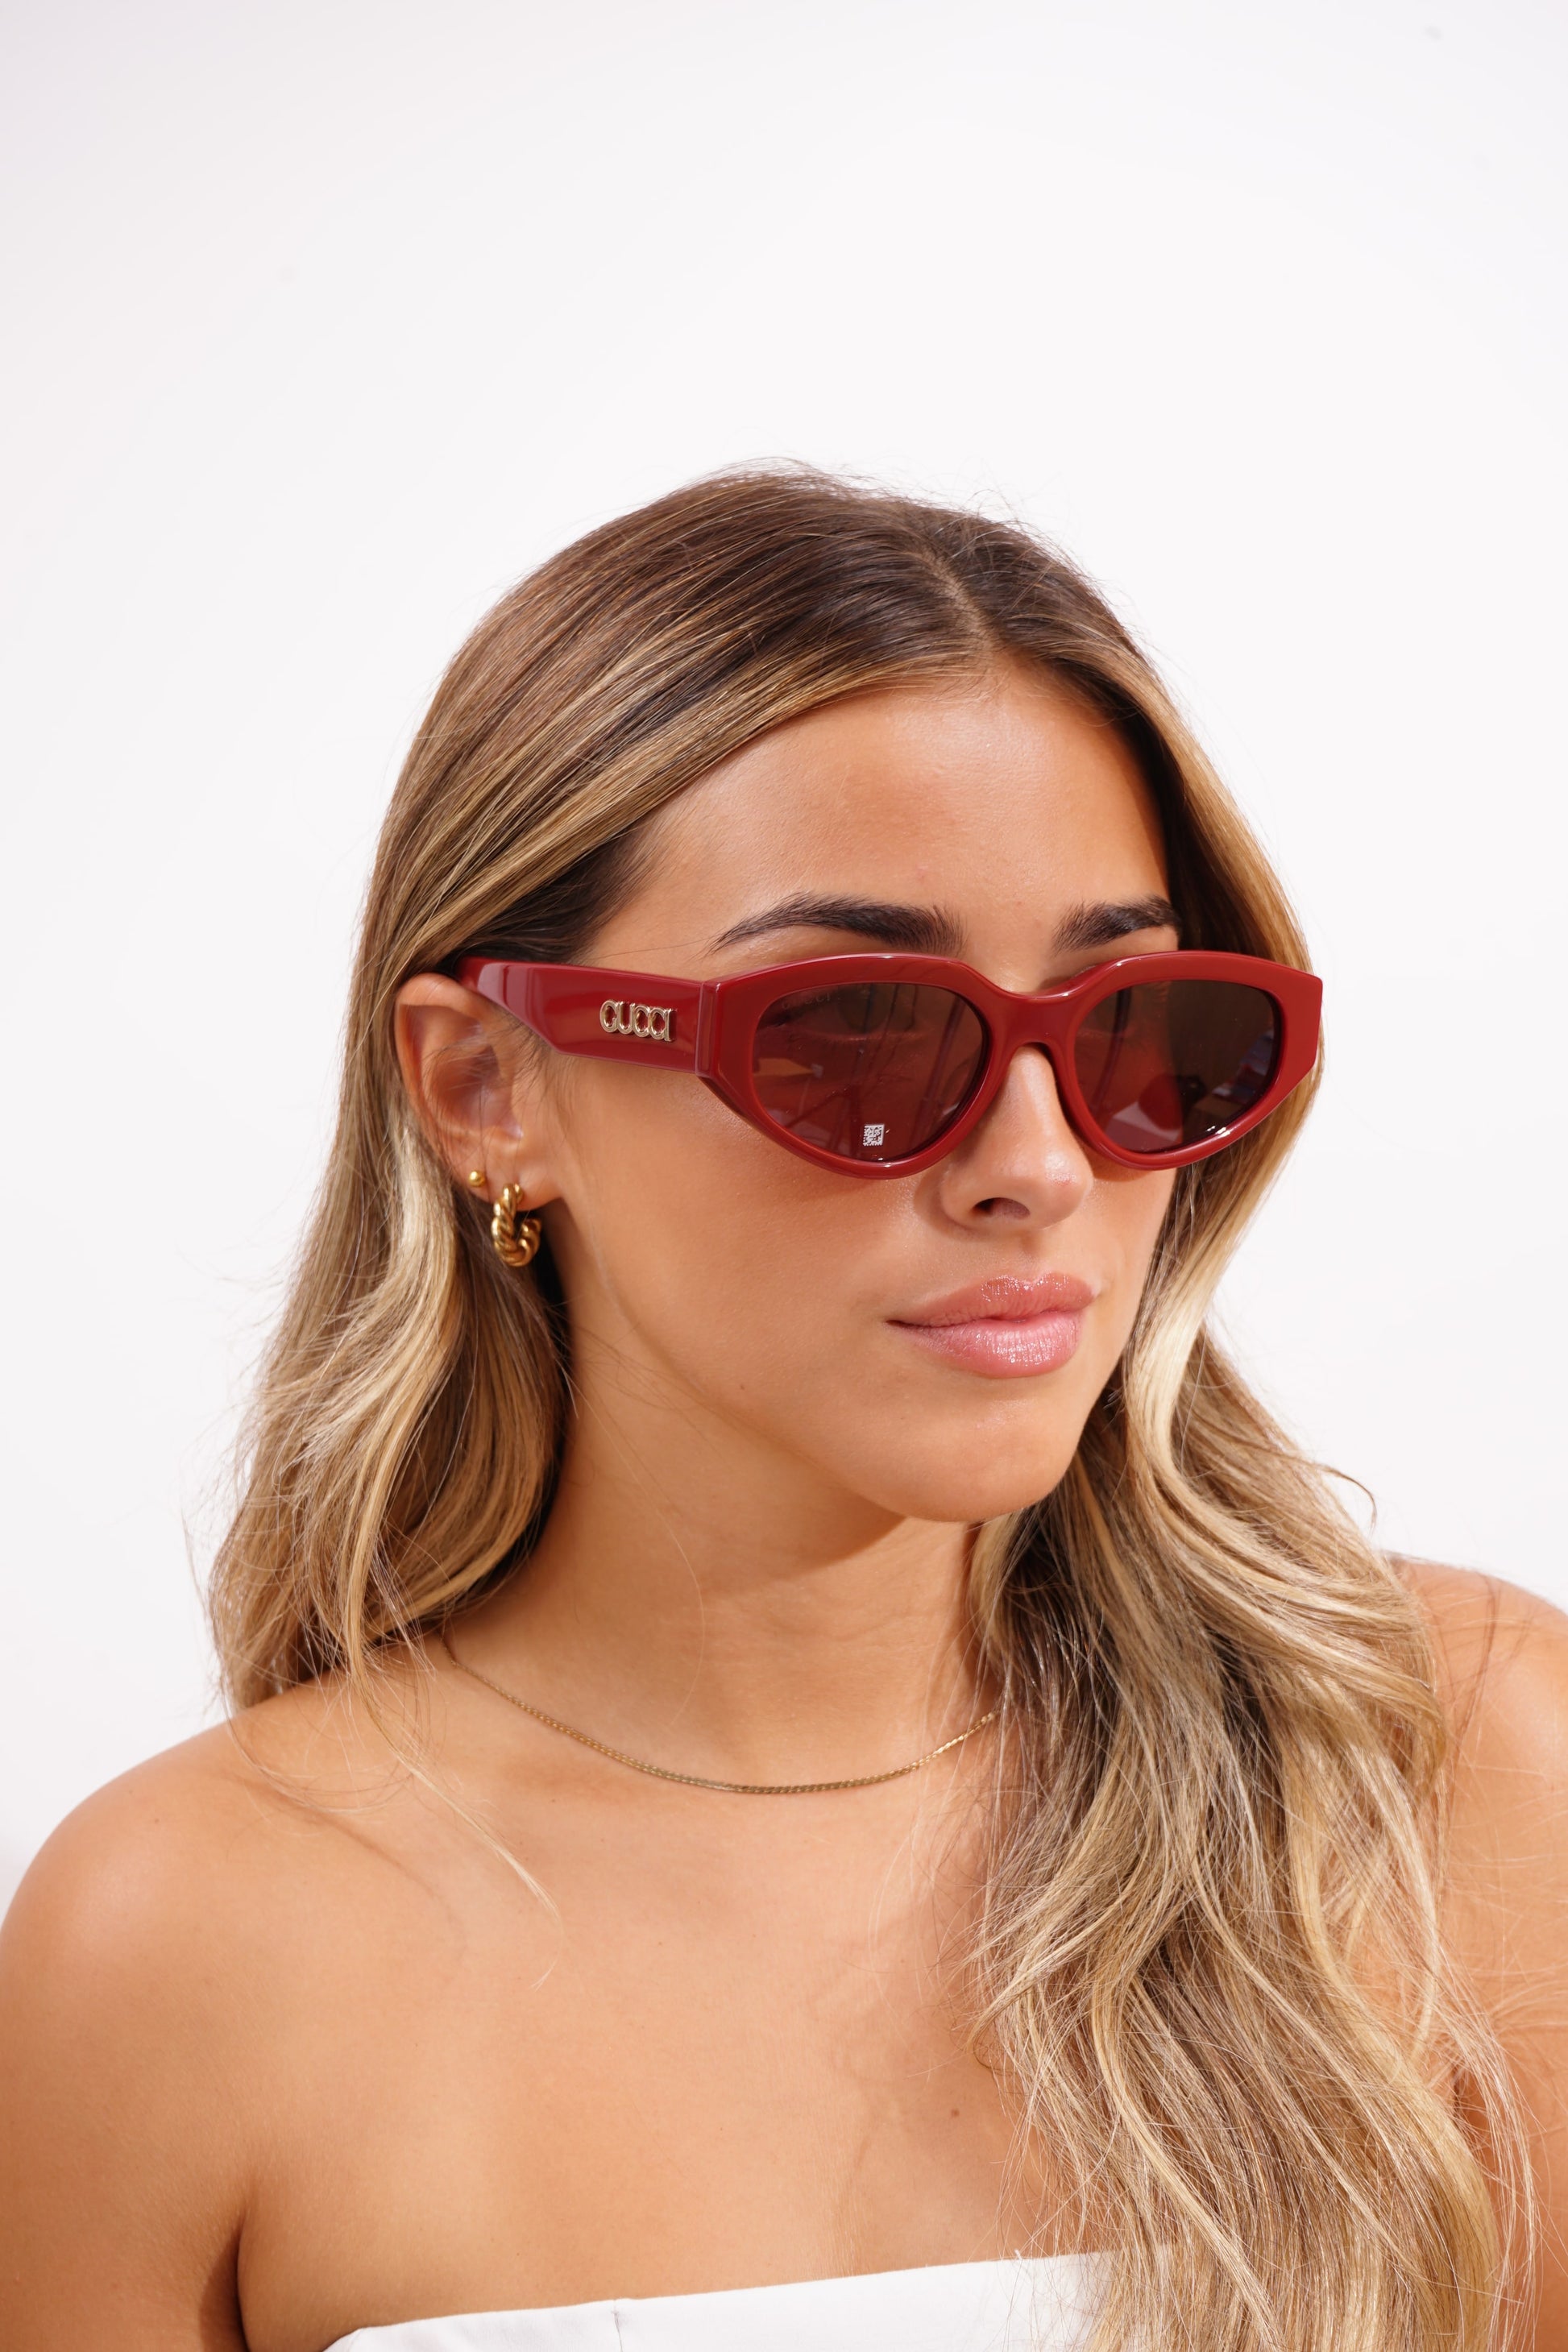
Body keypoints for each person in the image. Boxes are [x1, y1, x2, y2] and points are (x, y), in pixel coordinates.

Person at [2, 471, 1564, 2352]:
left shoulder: (1455, 1778)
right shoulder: (179, 1949)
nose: (1036, 1164)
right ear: (489, 1085)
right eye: (858, 1032)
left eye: (1139, 1030)